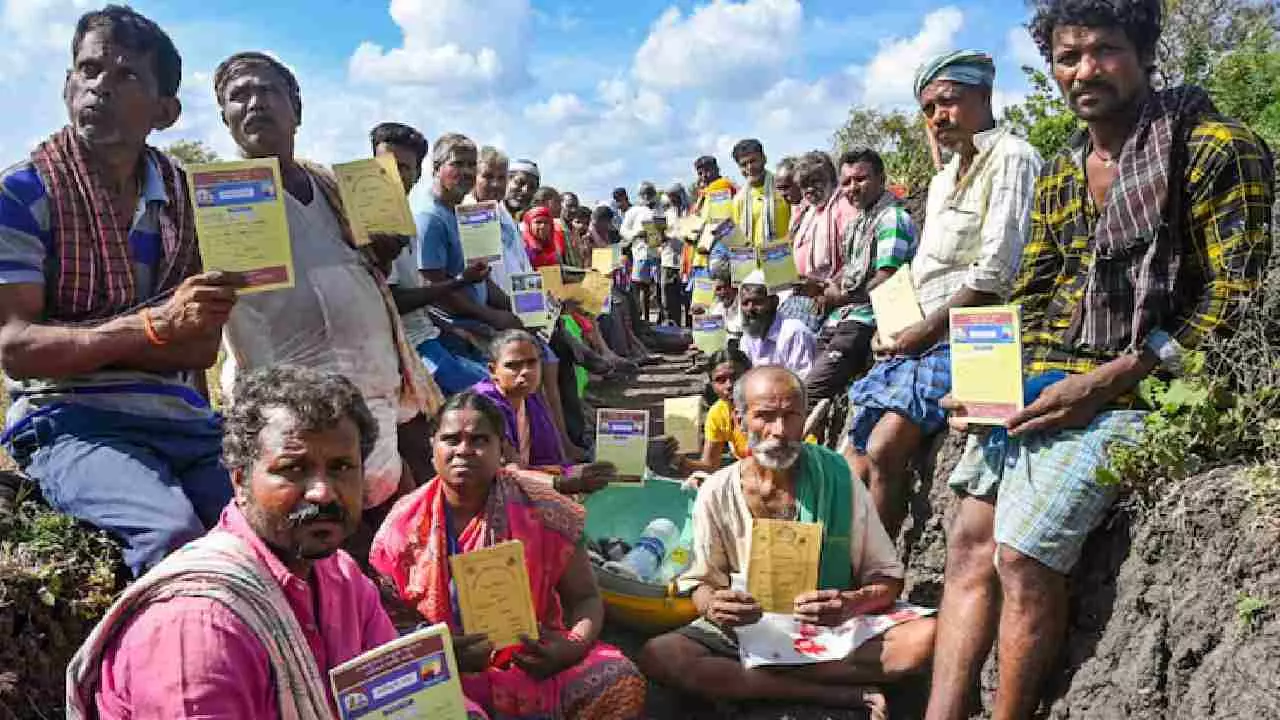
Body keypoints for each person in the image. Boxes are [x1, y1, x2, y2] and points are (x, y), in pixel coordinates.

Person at [925, 1, 1276, 716]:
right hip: (1048, 381)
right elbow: (1031, 290)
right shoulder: (1064, 170)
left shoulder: (1213, 151)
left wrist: (1108, 380)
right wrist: (982, 380)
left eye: (1104, 51)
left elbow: (1233, 300)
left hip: (1145, 386)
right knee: (967, 541)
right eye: (1067, 56)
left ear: (1145, 53)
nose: (1084, 70)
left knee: (1020, 557)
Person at [67, 366, 488, 719]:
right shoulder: (197, 626)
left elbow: (409, 703)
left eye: (342, 467)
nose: (323, 492)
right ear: (239, 480)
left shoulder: (340, 577)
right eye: (293, 469)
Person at [0, 6, 244, 576]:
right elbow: (16, 348)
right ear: (67, 84)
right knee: (171, 534)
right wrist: (151, 327)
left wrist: (78, 343)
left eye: (125, 75)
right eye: (88, 70)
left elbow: (199, 350)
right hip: (67, 418)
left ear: (165, 111)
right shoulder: (22, 193)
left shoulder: (185, 199)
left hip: (178, 417)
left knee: (265, 526)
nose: (98, 87)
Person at [212, 53, 440, 529]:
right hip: (292, 407)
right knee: (329, 524)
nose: (254, 104)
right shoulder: (214, 202)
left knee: (399, 515)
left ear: (296, 107)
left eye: (266, 91)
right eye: (238, 97)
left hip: (374, 386)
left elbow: (377, 269)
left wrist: (384, 248)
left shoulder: (335, 187)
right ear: (224, 118)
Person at [639, 367, 936, 716]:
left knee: (927, 638)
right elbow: (704, 583)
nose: (779, 431)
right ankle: (830, 692)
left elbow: (888, 579)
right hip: (748, 631)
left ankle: (757, 679)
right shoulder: (717, 491)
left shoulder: (839, 478)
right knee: (660, 655)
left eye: (791, 416)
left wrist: (849, 603)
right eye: (765, 416)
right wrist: (714, 606)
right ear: (740, 418)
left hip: (831, 630)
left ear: (803, 418)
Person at [846, 49, 1042, 540]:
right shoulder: (940, 180)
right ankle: (840, 563)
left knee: (887, 446)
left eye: (948, 102)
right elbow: (924, 269)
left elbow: (995, 273)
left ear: (984, 95)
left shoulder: (1013, 158)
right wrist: (892, 327)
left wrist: (921, 332)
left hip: (976, 335)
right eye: (929, 109)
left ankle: (879, 572)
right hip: (920, 333)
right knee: (850, 454)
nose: (938, 117)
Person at [370, 392, 648, 720]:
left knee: (620, 681)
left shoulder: (544, 509)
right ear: (433, 448)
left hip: (534, 662)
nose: (463, 450)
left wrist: (570, 647)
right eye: (450, 439)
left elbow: (586, 597)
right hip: (443, 672)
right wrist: (440, 654)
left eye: (479, 439)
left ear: (501, 448)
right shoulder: (402, 525)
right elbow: (386, 625)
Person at [370, 122, 492, 397]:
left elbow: (417, 295)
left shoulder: (405, 218)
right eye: (385, 166)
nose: (394, 175)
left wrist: (447, 327)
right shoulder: (370, 225)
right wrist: (461, 282)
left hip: (429, 334)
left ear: (416, 174)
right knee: (489, 395)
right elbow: (394, 301)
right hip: (409, 346)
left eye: (404, 168)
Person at [806, 149, 918, 409]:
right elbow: (850, 272)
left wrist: (840, 297)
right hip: (843, 320)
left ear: (881, 178)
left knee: (810, 390)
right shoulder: (859, 222)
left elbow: (888, 281)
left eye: (860, 179)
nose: (852, 188)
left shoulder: (892, 219)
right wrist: (825, 287)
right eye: (846, 182)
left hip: (868, 321)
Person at [472, 330, 617, 492]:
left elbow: (551, 459)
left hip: (530, 482)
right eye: (513, 365)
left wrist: (574, 472)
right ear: (493, 371)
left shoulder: (530, 398)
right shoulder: (482, 406)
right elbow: (509, 468)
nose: (526, 372)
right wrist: (563, 482)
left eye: (532, 363)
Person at [676, 348, 752, 476]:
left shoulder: (772, 406)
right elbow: (710, 466)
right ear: (711, 385)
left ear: (751, 375)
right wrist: (678, 461)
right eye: (720, 380)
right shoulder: (718, 413)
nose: (729, 385)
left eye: (735, 377)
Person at [739, 271, 817, 378]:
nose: (750, 309)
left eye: (757, 302)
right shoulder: (747, 338)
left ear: (775, 302)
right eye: (745, 303)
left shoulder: (793, 332)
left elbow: (803, 381)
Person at [790, 150, 845, 282]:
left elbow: (853, 260)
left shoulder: (843, 206)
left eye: (815, 182)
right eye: (803, 185)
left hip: (831, 291)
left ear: (831, 180)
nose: (809, 189)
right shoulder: (806, 211)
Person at [731, 138, 791, 250]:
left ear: (764, 159)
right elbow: (738, 241)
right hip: (752, 264)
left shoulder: (783, 188)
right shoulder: (738, 200)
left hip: (787, 260)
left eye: (753, 161)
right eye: (743, 164)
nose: (749, 168)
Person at [619, 181, 663, 323]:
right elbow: (623, 230)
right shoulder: (633, 211)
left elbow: (665, 230)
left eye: (650, 192)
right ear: (640, 194)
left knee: (658, 287)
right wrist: (636, 234)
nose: (648, 196)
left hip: (658, 253)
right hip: (641, 254)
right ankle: (642, 318)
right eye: (645, 193)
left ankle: (657, 317)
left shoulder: (659, 209)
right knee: (641, 287)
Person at [662, 182, 691, 327]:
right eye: (670, 197)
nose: (673, 200)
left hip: (686, 261)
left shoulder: (691, 212)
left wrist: (673, 238)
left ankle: (691, 330)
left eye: (675, 196)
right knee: (670, 299)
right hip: (668, 261)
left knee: (688, 298)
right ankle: (674, 330)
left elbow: (690, 235)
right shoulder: (667, 215)